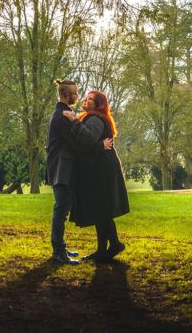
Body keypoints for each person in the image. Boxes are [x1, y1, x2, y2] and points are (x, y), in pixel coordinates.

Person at [45, 78, 113, 265]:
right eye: (75, 93)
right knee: (61, 210)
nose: (77, 96)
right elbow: (78, 144)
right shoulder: (62, 115)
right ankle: (58, 252)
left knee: (62, 209)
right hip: (62, 169)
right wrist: (100, 145)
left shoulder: (65, 113)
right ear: (66, 95)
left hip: (64, 169)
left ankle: (61, 247)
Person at [64, 89, 130, 262]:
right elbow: (89, 143)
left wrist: (73, 121)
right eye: (86, 98)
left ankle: (115, 244)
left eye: (90, 99)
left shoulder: (95, 119)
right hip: (100, 169)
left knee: (102, 210)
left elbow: (87, 137)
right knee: (101, 210)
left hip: (101, 171)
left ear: (98, 104)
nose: (85, 100)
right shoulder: (93, 117)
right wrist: (98, 145)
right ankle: (102, 250)